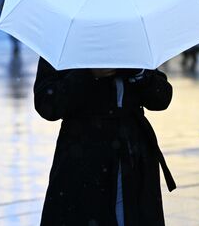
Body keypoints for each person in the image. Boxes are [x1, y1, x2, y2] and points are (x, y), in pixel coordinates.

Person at [33, 59, 175, 226]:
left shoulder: (132, 46)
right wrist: (88, 74)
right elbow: (47, 104)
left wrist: (138, 72)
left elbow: (162, 98)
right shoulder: (66, 45)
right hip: (82, 156)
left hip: (134, 155)